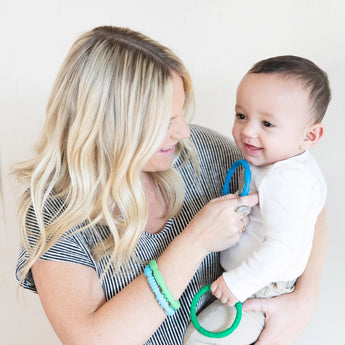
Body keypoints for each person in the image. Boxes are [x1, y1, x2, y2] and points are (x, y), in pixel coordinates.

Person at [13, 26, 327, 345]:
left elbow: (302, 201)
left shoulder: (202, 152)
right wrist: (195, 241)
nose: (183, 132)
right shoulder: (53, 212)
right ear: (111, 124)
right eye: (166, 121)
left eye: (180, 115)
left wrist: (305, 298)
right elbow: (92, 340)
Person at [183, 55, 331, 345]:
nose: (248, 131)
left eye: (267, 123)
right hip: (254, 283)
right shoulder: (287, 165)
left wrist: (238, 283)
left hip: (260, 290)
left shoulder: (286, 180)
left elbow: (285, 248)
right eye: (241, 116)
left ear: (309, 135)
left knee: (202, 340)